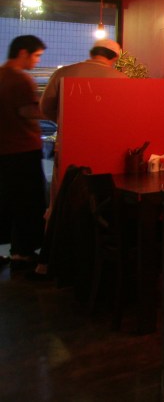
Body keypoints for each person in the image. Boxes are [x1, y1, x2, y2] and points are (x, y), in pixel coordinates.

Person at [32, 38, 125, 280]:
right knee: (100, 203)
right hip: (106, 151)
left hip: (69, 149)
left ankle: (52, 263)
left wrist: (64, 119)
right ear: (114, 58)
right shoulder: (121, 79)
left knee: (60, 201)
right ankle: (93, 261)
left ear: (93, 52)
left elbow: (44, 108)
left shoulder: (64, 73)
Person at [0, 35, 48, 271]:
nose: (37, 61)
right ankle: (23, 253)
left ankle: (12, 250)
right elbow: (27, 111)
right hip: (22, 150)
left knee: (5, 201)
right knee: (27, 203)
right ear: (23, 53)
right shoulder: (20, 79)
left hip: (4, 150)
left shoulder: (1, 75)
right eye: (36, 55)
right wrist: (53, 111)